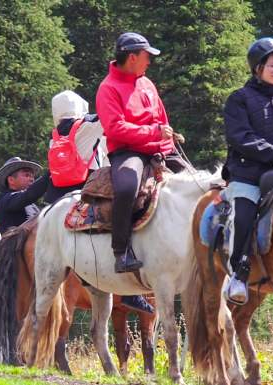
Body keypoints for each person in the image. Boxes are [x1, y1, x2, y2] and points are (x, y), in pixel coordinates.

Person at [95, 32, 175, 313]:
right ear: (132, 57)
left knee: (199, 184)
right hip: (128, 152)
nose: (149, 62)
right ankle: (121, 251)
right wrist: (152, 133)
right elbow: (115, 128)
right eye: (146, 57)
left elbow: (162, 120)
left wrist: (168, 145)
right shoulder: (108, 88)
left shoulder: (147, 84)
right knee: (127, 186)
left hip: (159, 148)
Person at [222, 37, 273, 305]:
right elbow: (239, 136)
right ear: (257, 68)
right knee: (245, 216)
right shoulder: (239, 99)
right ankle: (239, 274)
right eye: (272, 64)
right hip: (247, 173)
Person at [44, 90, 109, 204]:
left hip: (55, 193)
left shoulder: (54, 135)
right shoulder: (88, 124)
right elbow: (111, 115)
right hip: (86, 187)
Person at [0, 157, 49, 234]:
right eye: (27, 175)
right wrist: (50, 175)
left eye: (32, 176)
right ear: (11, 180)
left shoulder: (31, 205)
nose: (32, 179)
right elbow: (29, 195)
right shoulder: (5, 199)